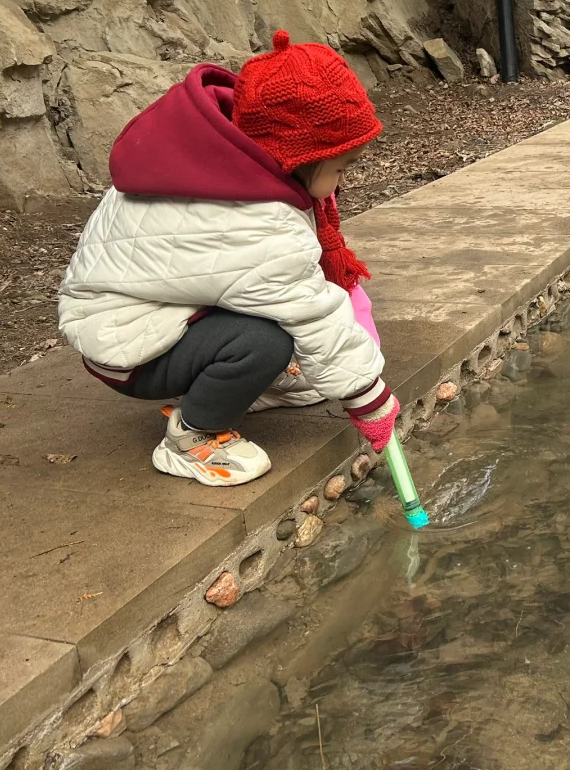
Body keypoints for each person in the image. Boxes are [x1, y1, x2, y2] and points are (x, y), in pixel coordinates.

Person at [57, 31, 399, 486]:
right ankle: (192, 435)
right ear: (296, 158)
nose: (341, 182)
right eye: (339, 168)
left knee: (270, 321)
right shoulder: (257, 223)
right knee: (264, 342)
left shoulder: (210, 163)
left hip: (137, 313)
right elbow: (312, 313)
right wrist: (371, 402)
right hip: (128, 347)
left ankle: (249, 383)